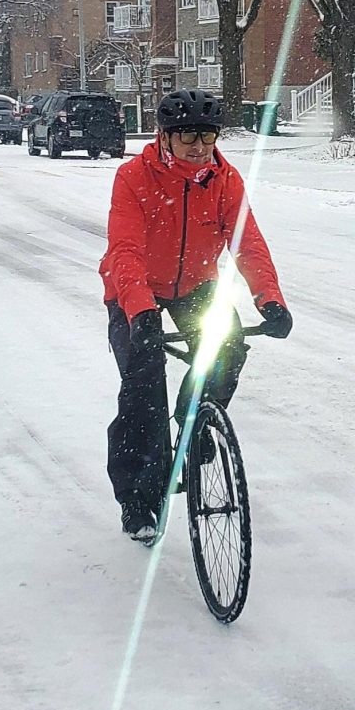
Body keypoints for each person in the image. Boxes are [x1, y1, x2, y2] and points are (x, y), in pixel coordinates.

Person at [99, 88, 292, 541]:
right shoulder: (134, 177)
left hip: (195, 285)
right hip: (135, 288)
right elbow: (124, 251)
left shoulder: (225, 180)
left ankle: (194, 424)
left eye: (207, 136)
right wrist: (141, 311)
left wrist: (270, 299)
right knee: (143, 385)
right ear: (165, 136)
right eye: (187, 136)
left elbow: (247, 244)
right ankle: (138, 500)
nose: (198, 147)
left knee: (226, 347)